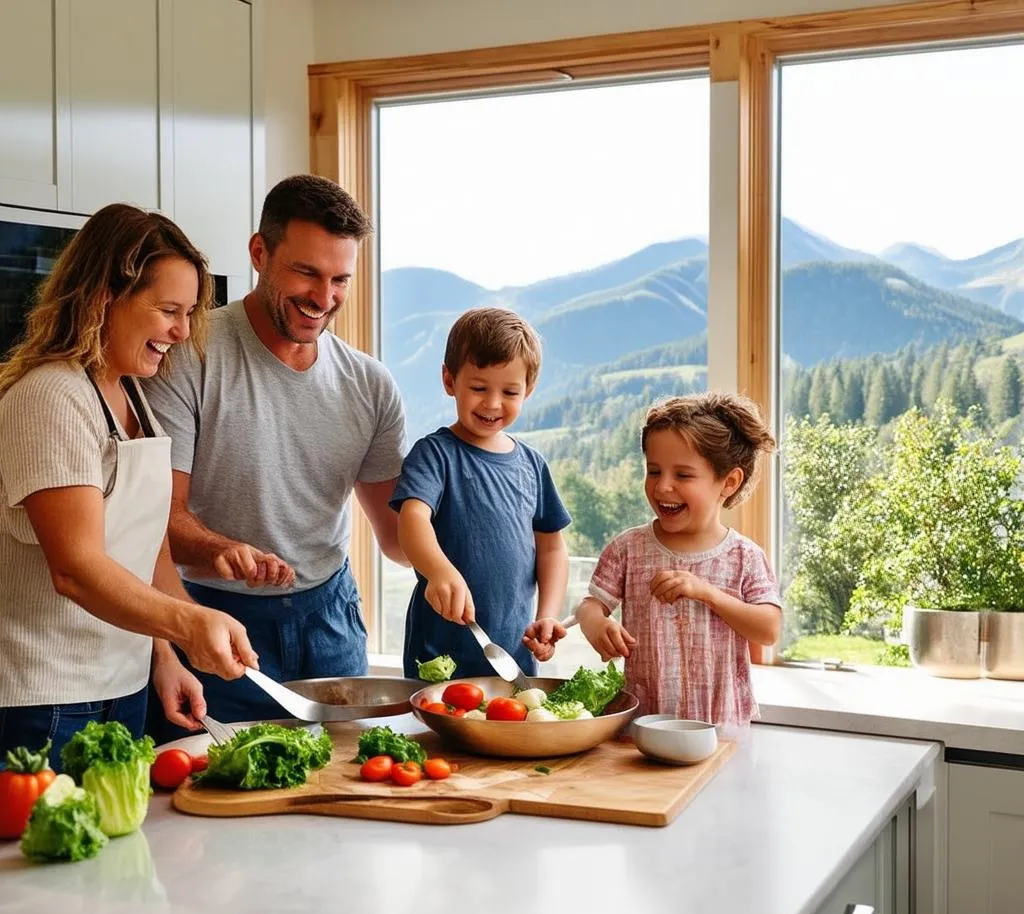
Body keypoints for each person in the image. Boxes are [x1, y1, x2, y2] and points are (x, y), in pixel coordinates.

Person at [142, 175, 408, 734]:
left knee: (341, 796)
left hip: (331, 620)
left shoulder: (371, 385)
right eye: (306, 272)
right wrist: (221, 548)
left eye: (340, 279)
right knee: (211, 796)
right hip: (210, 618)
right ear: (259, 252)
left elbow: (398, 538)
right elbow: (157, 518)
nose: (324, 297)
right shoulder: (188, 355)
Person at [0, 203, 257, 767]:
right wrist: (191, 622)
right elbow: (76, 568)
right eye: (168, 309)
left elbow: (145, 547)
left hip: (122, 686)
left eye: (189, 312)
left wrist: (163, 656)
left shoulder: (132, 393)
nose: (182, 331)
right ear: (104, 297)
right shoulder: (51, 398)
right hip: (46, 701)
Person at [574, 392, 782, 732]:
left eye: (683, 476)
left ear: (728, 482)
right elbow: (589, 606)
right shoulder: (629, 548)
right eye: (654, 471)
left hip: (720, 731)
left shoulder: (745, 557)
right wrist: (596, 624)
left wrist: (707, 593)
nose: (663, 486)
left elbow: (768, 629)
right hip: (642, 727)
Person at [391, 307, 571, 681]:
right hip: (439, 659)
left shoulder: (532, 465)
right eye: (478, 388)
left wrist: (548, 615)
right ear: (449, 380)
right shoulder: (435, 454)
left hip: (513, 658)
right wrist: (439, 571)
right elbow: (412, 519)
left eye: (509, 392)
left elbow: (551, 548)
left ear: (529, 390)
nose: (492, 403)